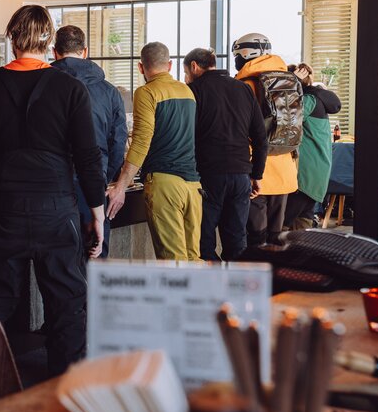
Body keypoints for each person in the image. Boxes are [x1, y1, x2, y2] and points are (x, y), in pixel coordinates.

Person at [0, 5, 105, 376]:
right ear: (48, 41)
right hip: (57, 213)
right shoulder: (70, 89)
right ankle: (65, 390)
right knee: (67, 306)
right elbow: (88, 159)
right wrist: (97, 214)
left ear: (12, 39)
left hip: (6, 210)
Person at [106, 42, 201, 261]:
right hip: (193, 185)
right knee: (193, 259)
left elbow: (141, 141)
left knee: (173, 262)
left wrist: (121, 186)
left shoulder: (146, 92)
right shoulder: (187, 91)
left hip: (165, 184)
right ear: (170, 65)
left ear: (141, 67)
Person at [184, 48, 268, 261]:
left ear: (194, 66)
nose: (186, 77)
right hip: (241, 176)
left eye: (186, 72)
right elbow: (260, 138)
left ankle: (212, 279)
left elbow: (187, 136)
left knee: (203, 241)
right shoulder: (243, 89)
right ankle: (233, 280)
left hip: (208, 175)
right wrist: (256, 175)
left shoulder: (194, 90)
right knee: (237, 241)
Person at [52, 25, 128, 258]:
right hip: (93, 186)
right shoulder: (109, 91)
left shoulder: (44, 87)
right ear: (85, 51)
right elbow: (118, 143)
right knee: (95, 258)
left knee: (60, 263)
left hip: (53, 188)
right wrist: (104, 175)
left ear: (55, 52)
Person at [232, 33, 299, 246]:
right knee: (276, 237)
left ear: (245, 55)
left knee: (255, 239)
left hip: (257, 172)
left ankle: (258, 267)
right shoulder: (289, 81)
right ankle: (276, 268)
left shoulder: (246, 85)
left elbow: (239, 130)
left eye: (236, 56)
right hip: (285, 168)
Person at [283, 63, 341, 230]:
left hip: (306, 171)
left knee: (282, 222)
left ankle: (276, 247)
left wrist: (288, 84)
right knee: (303, 218)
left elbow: (285, 119)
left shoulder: (308, 100)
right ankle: (301, 247)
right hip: (317, 170)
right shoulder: (315, 99)